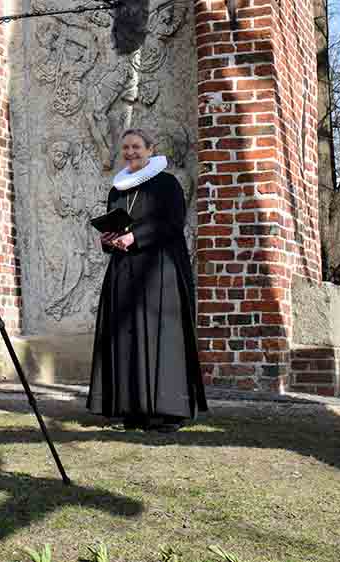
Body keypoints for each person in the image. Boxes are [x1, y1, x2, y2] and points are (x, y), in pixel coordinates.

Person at [87, 129, 208, 432]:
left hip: (160, 270)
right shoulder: (117, 189)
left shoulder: (167, 184)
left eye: (137, 147)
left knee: (161, 338)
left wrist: (135, 236)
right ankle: (131, 410)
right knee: (126, 336)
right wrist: (110, 239)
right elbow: (114, 224)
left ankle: (166, 413)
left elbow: (172, 224)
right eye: (126, 147)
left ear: (151, 149)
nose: (130, 152)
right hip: (124, 271)